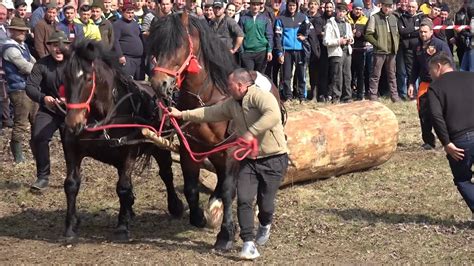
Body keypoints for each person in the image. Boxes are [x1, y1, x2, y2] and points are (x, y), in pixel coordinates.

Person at [168, 68, 288, 260]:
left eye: (230, 86)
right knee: (244, 199)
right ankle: (248, 243)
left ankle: (265, 223)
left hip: (273, 157)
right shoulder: (232, 104)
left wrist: (250, 133)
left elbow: (272, 115)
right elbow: (209, 112)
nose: (226, 89)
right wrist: (182, 114)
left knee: (265, 204)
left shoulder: (261, 97)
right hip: (249, 159)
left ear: (241, 86)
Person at [427, 52, 474, 222]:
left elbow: (436, 117)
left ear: (438, 66)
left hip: (461, 141)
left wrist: (446, 143)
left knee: (462, 179)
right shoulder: (471, 77)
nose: (430, 74)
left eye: (430, 70)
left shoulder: (435, 88)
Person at [26, 31, 70, 191]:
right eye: (55, 45)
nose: (59, 49)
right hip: (49, 110)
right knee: (39, 137)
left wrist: (69, 99)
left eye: (62, 45)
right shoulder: (41, 64)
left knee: (71, 143)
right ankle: (42, 177)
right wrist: (43, 98)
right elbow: (30, 87)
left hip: (70, 111)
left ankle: (73, 174)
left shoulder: (74, 63)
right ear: (49, 47)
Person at [408, 19, 451, 150]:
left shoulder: (440, 45)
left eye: (425, 32)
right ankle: (428, 141)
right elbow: (415, 67)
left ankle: (448, 141)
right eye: (421, 32)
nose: (423, 34)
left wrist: (449, 82)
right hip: (424, 83)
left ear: (431, 31)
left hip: (439, 83)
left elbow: (449, 64)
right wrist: (411, 83)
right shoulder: (417, 46)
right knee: (423, 113)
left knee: (443, 113)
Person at [3, 17, 37, 163]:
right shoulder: (9, 48)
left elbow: (33, 61)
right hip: (18, 89)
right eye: (19, 31)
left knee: (36, 120)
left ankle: (37, 151)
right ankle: (18, 157)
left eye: (24, 31)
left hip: (29, 87)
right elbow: (24, 66)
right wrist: (40, 72)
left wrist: (39, 68)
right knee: (21, 123)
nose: (23, 33)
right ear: (11, 31)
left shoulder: (23, 46)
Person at [364, 0, 400, 102]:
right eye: (385, 6)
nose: (387, 8)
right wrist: (378, 44)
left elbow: (397, 34)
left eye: (389, 6)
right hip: (379, 52)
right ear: (381, 5)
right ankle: (373, 96)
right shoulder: (374, 17)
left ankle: (394, 96)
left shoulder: (394, 18)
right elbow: (368, 34)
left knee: (392, 75)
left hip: (391, 51)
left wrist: (395, 45)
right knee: (375, 75)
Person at [275, 0, 308, 102]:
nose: (292, 7)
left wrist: (305, 37)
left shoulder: (303, 17)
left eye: (294, 5)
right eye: (290, 5)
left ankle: (302, 96)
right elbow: (277, 37)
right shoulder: (281, 18)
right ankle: (287, 96)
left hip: (300, 50)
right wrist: (280, 53)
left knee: (301, 74)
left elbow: (310, 30)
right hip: (287, 50)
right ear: (287, 6)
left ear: (296, 6)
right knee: (286, 75)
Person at [323, 2, 353, 103]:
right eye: (340, 11)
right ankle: (336, 97)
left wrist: (350, 40)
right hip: (336, 52)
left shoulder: (347, 24)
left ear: (346, 13)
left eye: (343, 11)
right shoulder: (330, 24)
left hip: (347, 52)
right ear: (336, 11)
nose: (341, 13)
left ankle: (347, 97)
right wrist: (338, 41)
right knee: (337, 76)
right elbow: (326, 41)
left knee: (347, 75)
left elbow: (351, 38)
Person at [113, 0, 145, 80]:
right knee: (127, 83)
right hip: (127, 59)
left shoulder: (135, 23)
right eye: (128, 13)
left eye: (132, 13)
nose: (130, 15)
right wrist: (120, 55)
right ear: (123, 12)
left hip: (139, 59)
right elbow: (115, 41)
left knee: (140, 82)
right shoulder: (117, 24)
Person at [239, 0, 273, 73]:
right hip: (247, 52)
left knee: (260, 76)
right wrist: (242, 52)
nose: (255, 7)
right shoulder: (243, 19)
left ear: (260, 6)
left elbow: (269, 35)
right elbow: (240, 36)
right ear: (250, 5)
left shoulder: (265, 19)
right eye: (253, 4)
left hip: (261, 52)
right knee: (249, 77)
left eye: (257, 5)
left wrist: (269, 50)